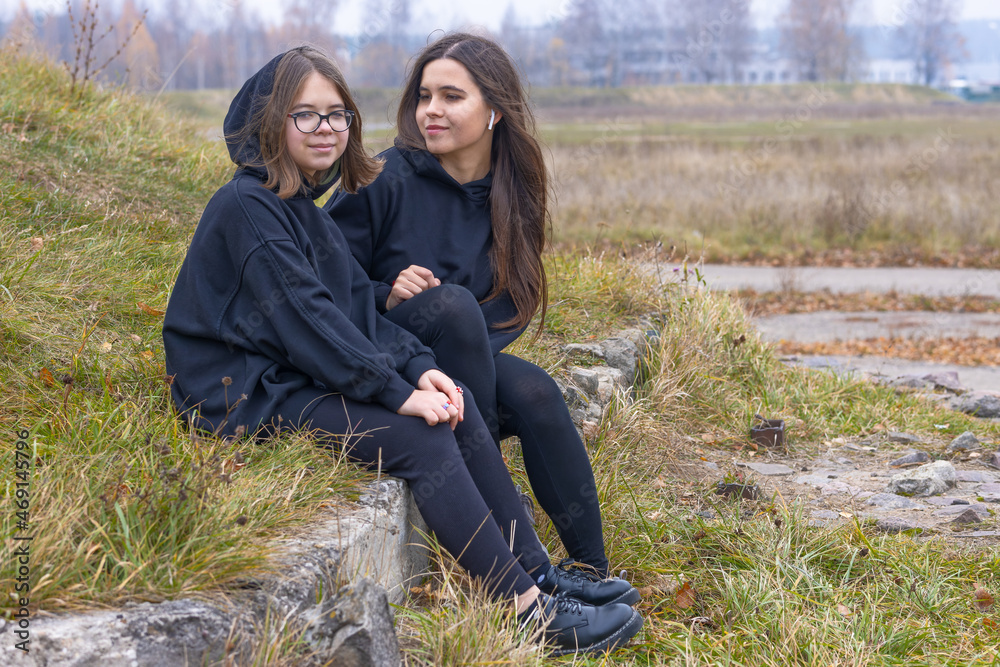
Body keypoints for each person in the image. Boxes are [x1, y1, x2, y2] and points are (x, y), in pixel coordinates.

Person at [161, 46, 642, 655]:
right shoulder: (246, 207)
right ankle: (526, 611)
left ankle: (543, 580)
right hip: (239, 394)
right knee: (421, 436)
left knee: (457, 399)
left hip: (290, 374)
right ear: (269, 119)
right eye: (305, 114)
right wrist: (397, 392)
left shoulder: (301, 213)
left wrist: (422, 371)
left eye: (337, 115)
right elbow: (312, 322)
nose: (326, 129)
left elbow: (359, 308)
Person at [324, 32, 636, 604]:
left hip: (467, 359)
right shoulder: (382, 176)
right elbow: (322, 282)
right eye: (424, 96)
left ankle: (590, 570)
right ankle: (522, 556)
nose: (431, 111)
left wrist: (470, 348)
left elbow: (513, 297)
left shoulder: (513, 188)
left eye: (451, 96)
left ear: (494, 109)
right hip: (383, 347)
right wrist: (385, 294)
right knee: (452, 305)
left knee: (538, 392)